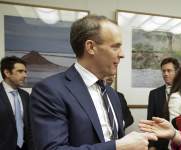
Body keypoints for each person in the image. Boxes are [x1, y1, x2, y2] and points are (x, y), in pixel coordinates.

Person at [30, 15, 156, 150]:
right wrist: (118, 147)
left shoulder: (111, 94)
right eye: (115, 47)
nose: (122, 54)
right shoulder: (50, 91)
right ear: (91, 47)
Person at [0, 56, 32, 150]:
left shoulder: (25, 95)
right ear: (7, 73)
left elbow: (29, 126)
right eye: (20, 71)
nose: (25, 75)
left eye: (25, 72)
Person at [147, 57, 179, 150]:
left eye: (169, 71)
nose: (165, 74)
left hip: (179, 142)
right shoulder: (154, 93)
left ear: (176, 72)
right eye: (163, 71)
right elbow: (150, 121)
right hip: (160, 144)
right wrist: (151, 145)